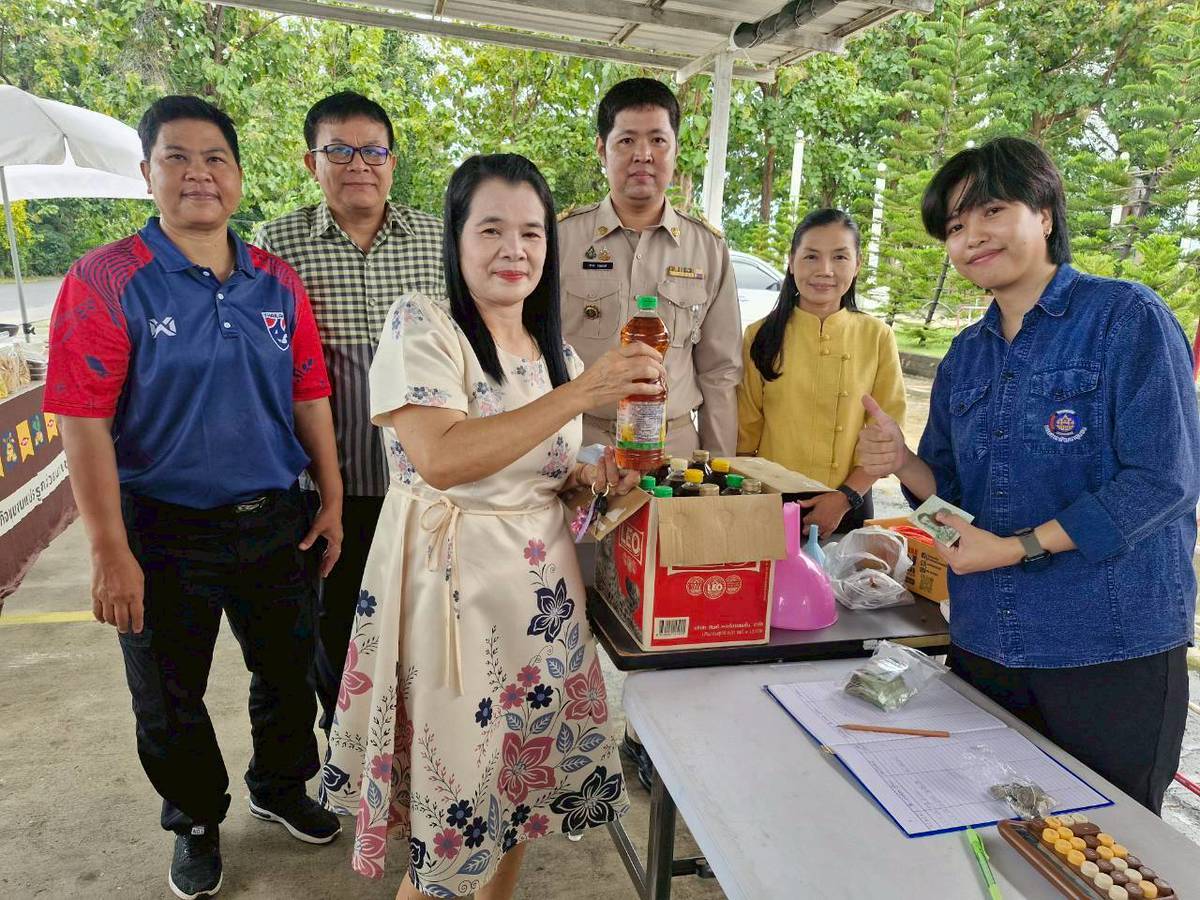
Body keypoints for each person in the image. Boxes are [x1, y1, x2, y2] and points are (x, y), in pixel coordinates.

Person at [321, 154, 659, 898]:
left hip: (538, 607)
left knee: (519, 799)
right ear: (457, 237)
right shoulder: (424, 323)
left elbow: (539, 467)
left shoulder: (551, 349)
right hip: (456, 598)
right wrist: (585, 392)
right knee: (458, 813)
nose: (515, 250)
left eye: (532, 233)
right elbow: (441, 457)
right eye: (493, 229)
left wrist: (584, 480)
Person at [44, 96, 344, 899]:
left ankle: (279, 787)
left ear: (239, 176)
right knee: (169, 694)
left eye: (214, 158)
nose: (198, 175)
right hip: (161, 529)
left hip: (276, 517)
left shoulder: (277, 280)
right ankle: (197, 819)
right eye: (176, 158)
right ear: (147, 174)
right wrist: (110, 550)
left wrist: (333, 496)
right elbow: (83, 421)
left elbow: (310, 391)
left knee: (286, 672)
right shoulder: (105, 281)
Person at [856, 136, 1199, 814]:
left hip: (1105, 647)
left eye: (990, 211)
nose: (971, 237)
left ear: (1043, 212)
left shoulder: (1125, 319)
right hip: (988, 645)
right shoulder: (965, 356)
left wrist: (1018, 547)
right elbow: (947, 495)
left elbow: (1164, 479)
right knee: (992, 830)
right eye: (954, 227)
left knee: (1109, 849)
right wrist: (903, 463)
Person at [257, 91, 444, 735]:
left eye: (373, 150)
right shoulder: (275, 245)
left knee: (420, 622)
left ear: (393, 161)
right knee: (332, 625)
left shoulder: (437, 238)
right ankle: (348, 751)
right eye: (340, 149)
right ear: (312, 162)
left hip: (423, 483)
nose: (358, 163)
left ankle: (411, 744)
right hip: (324, 484)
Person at [558, 77, 742, 458]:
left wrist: (720, 469)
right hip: (577, 445)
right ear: (601, 150)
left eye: (658, 140)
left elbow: (719, 373)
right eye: (626, 140)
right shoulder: (560, 240)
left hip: (672, 452)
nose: (643, 154)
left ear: (675, 150)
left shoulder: (707, 248)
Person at [736, 208, 905, 534]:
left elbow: (886, 438)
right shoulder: (759, 336)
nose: (825, 271)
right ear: (791, 261)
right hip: (772, 502)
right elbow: (744, 435)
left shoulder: (878, 336)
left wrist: (844, 498)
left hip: (850, 502)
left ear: (857, 264)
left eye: (840, 257)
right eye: (811, 257)